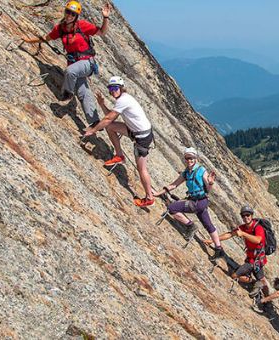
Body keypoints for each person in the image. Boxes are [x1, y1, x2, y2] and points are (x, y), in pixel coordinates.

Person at [23, 1, 111, 128]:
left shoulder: (82, 26)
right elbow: (46, 38)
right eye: (68, 12)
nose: (69, 15)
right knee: (83, 92)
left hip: (87, 63)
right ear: (65, 12)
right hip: (76, 65)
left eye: (73, 14)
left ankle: (67, 93)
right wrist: (29, 41)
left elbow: (102, 32)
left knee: (70, 71)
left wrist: (105, 17)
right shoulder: (60, 29)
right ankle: (95, 122)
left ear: (76, 16)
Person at [84, 76, 155, 207]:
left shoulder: (123, 100)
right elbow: (108, 119)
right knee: (110, 128)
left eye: (115, 88)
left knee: (141, 169)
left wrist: (93, 130)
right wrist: (101, 104)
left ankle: (149, 197)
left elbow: (108, 118)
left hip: (142, 137)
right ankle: (119, 155)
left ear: (121, 88)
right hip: (137, 131)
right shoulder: (123, 98)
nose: (112, 91)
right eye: (110, 88)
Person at [154, 147, 225, 260]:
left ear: (195, 158)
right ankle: (219, 249)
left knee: (172, 208)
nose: (189, 160)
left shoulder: (201, 170)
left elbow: (208, 187)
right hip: (201, 202)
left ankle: (190, 225)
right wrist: (159, 192)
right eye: (187, 158)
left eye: (191, 158)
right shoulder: (186, 173)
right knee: (208, 225)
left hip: (198, 202)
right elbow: (174, 185)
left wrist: (210, 183)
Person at [204, 205, 269, 297]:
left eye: (248, 215)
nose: (246, 217)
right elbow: (229, 235)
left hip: (256, 260)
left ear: (252, 215)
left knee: (235, 275)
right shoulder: (242, 227)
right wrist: (213, 240)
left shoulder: (258, 228)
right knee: (261, 279)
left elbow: (258, 240)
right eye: (243, 215)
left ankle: (264, 295)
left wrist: (243, 234)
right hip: (253, 259)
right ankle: (259, 288)